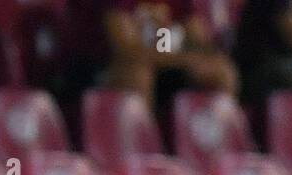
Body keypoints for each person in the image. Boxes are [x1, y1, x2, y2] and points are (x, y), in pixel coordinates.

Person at [95, 0, 239, 110]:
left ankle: (219, 140)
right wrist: (185, 59)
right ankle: (139, 139)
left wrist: (205, 56)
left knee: (220, 70)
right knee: (137, 72)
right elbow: (128, 51)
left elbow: (200, 44)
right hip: (105, 69)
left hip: (168, 67)